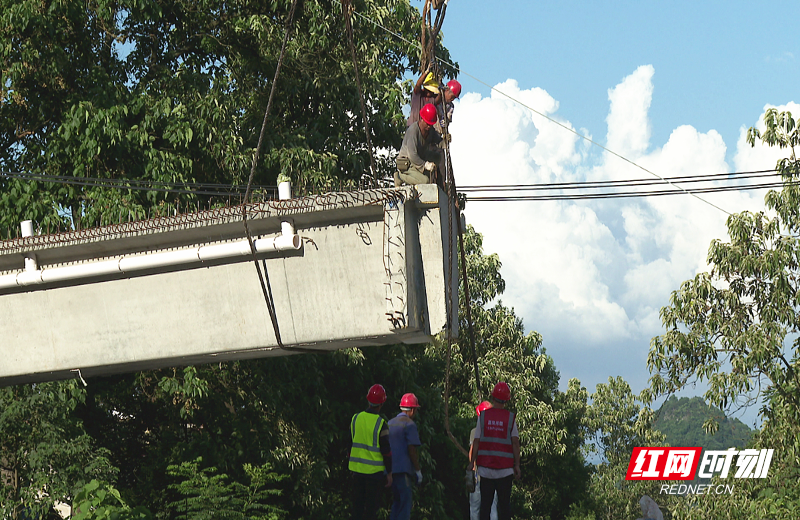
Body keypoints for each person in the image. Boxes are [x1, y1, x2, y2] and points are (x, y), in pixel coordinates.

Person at [467, 382, 521, 520]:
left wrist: (471, 463)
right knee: (504, 507)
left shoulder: (483, 417)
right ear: (506, 400)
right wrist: (517, 465)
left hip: (486, 471)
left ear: (493, 398)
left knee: (485, 506)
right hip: (505, 471)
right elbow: (515, 442)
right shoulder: (510, 418)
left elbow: (476, 441)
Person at [350, 384, 393, 520]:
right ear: (382, 403)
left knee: (357, 508)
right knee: (370, 511)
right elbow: (386, 451)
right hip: (374, 474)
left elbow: (350, 443)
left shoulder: (356, 419)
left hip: (356, 472)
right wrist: (389, 473)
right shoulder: (381, 424)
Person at [388, 393, 423, 520]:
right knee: (405, 504)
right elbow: (412, 449)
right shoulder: (409, 424)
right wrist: (418, 470)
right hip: (403, 471)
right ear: (412, 409)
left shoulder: (390, 423)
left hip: (390, 471)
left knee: (396, 503)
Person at [395, 103, 443, 187]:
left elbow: (439, 141)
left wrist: (445, 139)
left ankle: (423, 175)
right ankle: (399, 176)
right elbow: (412, 155)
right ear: (422, 119)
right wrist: (425, 165)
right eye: (427, 124)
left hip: (420, 158)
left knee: (437, 156)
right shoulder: (413, 131)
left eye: (430, 124)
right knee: (425, 181)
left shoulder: (430, 130)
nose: (428, 127)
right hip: (408, 163)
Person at [469, 401, 498, 520]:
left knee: (475, 508)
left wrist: (472, 467)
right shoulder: (497, 432)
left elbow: (472, 452)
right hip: (494, 474)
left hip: (479, 475)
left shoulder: (475, 431)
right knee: (493, 508)